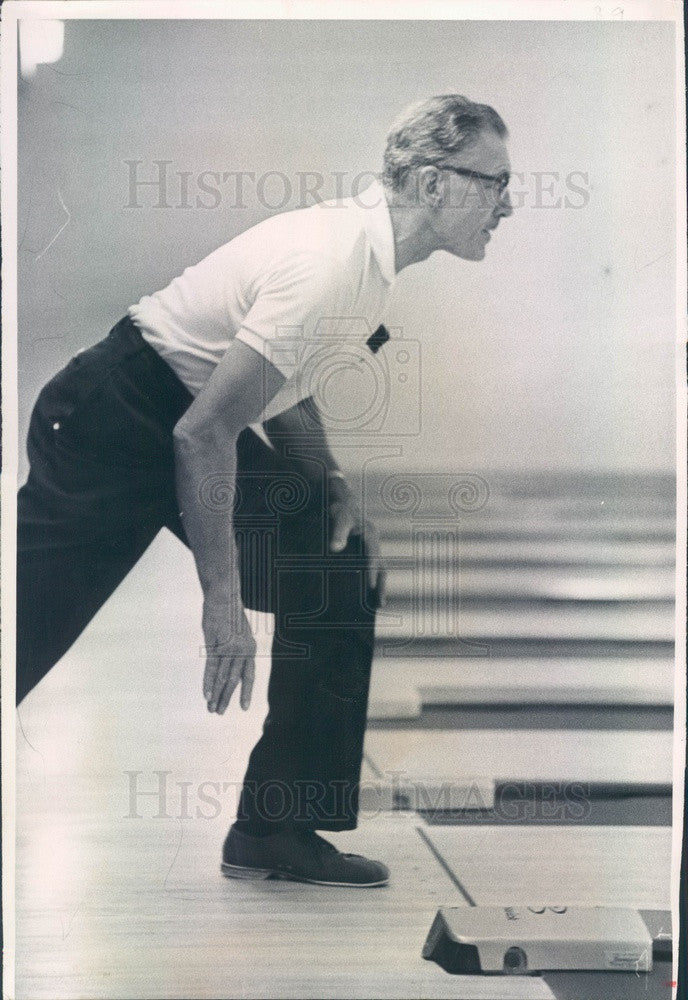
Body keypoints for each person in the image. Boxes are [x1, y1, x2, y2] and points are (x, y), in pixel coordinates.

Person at [17, 94, 512, 887]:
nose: (508, 205)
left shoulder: (370, 268)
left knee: (337, 563)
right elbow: (203, 434)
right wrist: (224, 602)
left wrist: (333, 488)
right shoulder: (332, 262)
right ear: (431, 182)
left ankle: (273, 830)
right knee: (24, 627)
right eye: (495, 182)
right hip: (111, 420)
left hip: (175, 413)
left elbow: (285, 386)